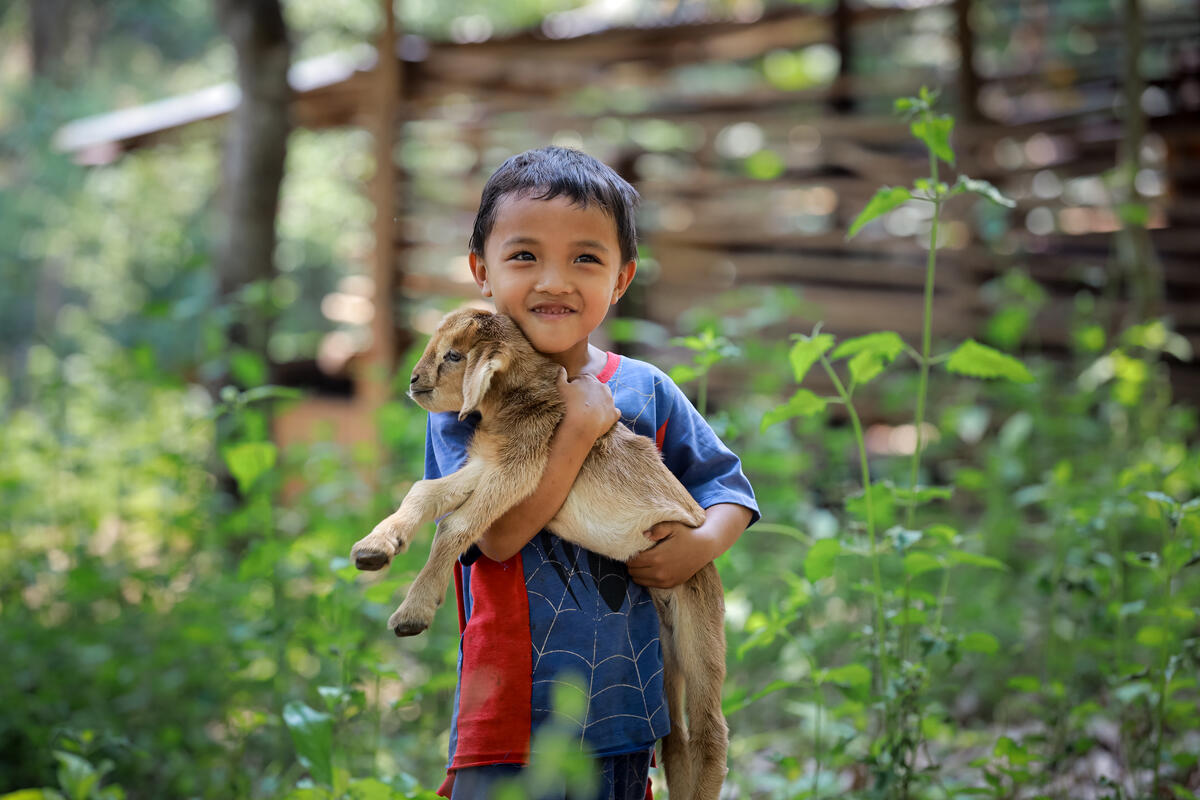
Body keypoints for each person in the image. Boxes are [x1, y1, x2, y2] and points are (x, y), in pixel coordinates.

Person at [425, 146, 758, 800]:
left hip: (626, 709)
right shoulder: (467, 396)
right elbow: (493, 538)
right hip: (511, 718)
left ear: (622, 278)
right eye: (524, 256)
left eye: (586, 257)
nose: (554, 281)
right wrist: (578, 432)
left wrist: (699, 545)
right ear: (481, 271)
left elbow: (728, 490)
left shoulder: (644, 389)